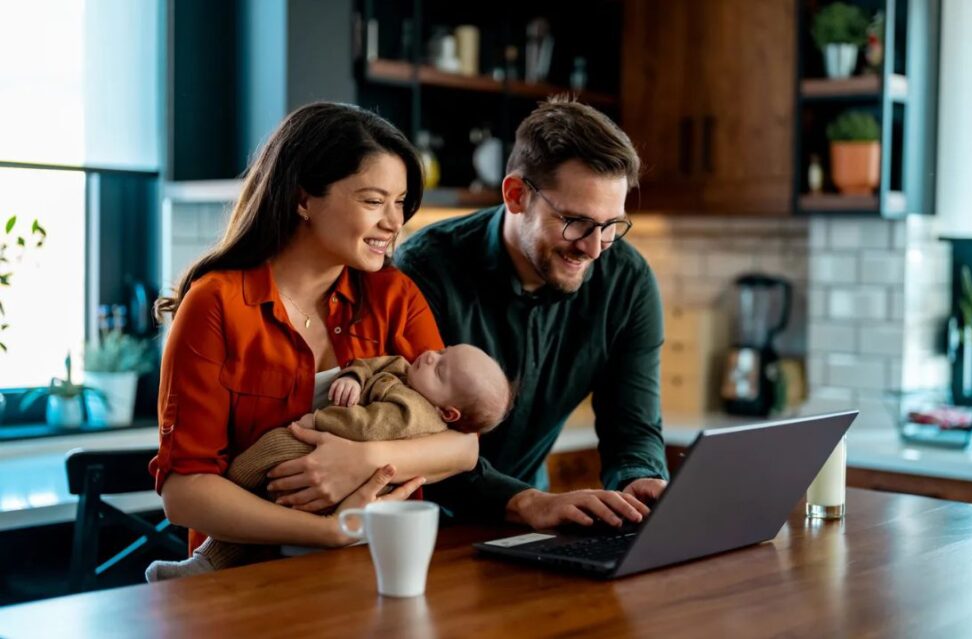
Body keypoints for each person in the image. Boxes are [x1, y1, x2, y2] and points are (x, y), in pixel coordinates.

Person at [149, 102, 479, 565]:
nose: (393, 222)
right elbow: (184, 493)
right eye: (373, 200)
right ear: (303, 198)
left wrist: (362, 461)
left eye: (400, 202)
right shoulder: (216, 304)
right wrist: (329, 531)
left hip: (380, 567)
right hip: (247, 587)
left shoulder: (395, 296)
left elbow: (463, 445)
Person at [393, 96, 668, 531]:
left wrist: (641, 480)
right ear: (516, 195)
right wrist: (524, 501)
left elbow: (632, 427)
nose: (595, 249)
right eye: (576, 222)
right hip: (422, 530)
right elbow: (405, 436)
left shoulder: (627, 282)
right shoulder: (424, 272)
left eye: (611, 225)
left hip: (533, 523)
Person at [147, 345, 511, 580]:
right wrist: (354, 376)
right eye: (443, 352)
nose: (431, 355)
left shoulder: (414, 413)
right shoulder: (408, 371)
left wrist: (318, 421)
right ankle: (208, 560)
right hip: (328, 493)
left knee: (262, 461)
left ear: (447, 412)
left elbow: (365, 427)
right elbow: (373, 364)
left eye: (442, 370)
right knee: (261, 505)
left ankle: (222, 519)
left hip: (329, 463)